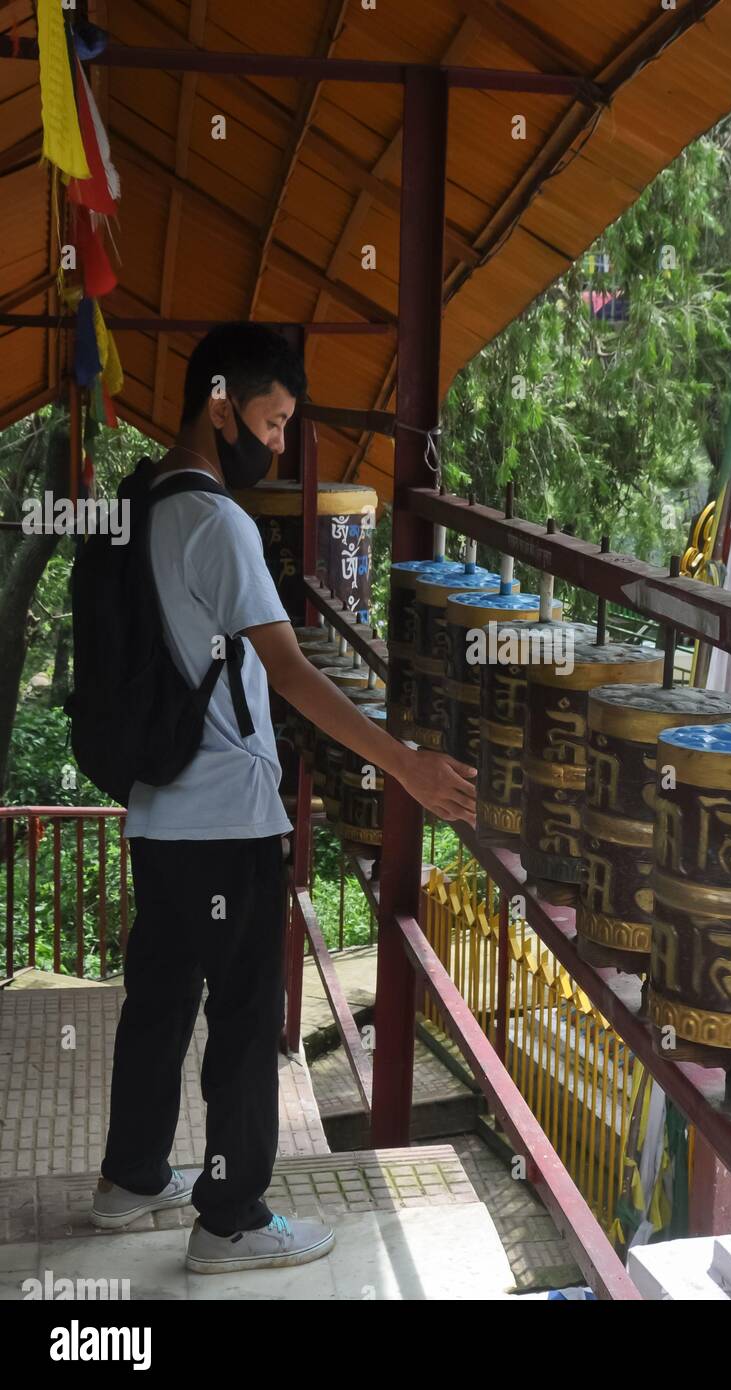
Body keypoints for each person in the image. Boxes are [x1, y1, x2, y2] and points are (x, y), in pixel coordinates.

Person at [89, 323, 476, 1274]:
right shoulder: (217, 523)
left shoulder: (142, 495)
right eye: (270, 421)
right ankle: (230, 1219)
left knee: (162, 999)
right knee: (245, 1018)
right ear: (222, 404)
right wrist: (407, 767)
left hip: (159, 811)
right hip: (223, 816)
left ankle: (132, 1178)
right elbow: (295, 677)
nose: (275, 442)